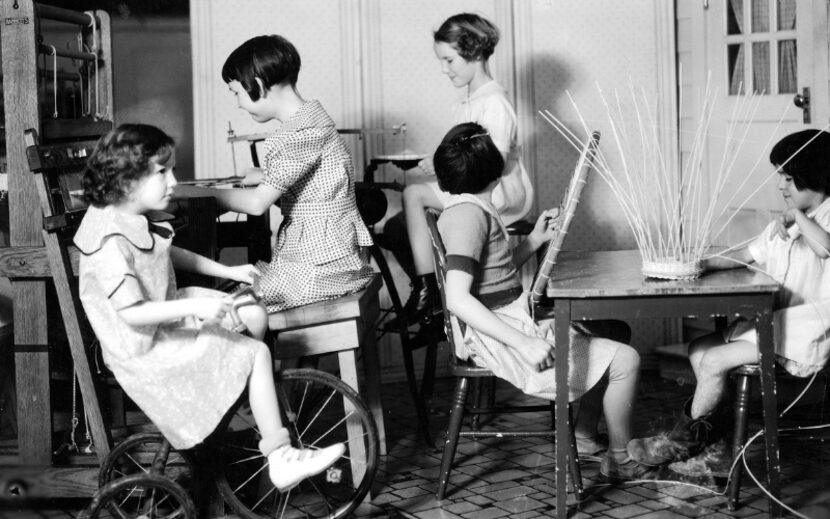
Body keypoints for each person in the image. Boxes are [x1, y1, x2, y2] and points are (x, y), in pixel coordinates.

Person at [75, 124, 345, 491]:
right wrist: (201, 306)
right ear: (125, 181)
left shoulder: (126, 216)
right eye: (162, 172)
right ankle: (280, 455)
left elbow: (165, 252)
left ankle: (242, 399)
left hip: (161, 324)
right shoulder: (108, 239)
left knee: (250, 310)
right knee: (256, 354)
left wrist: (227, 270)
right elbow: (130, 313)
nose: (173, 181)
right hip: (144, 349)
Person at [434, 122, 650, 481]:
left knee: (615, 330)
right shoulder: (467, 217)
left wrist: (534, 241)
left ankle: (582, 435)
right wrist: (525, 342)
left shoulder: (472, 210)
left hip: (509, 319)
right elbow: (458, 298)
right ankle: (621, 458)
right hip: (501, 336)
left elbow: (493, 274)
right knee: (626, 360)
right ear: (496, 169)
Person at [628, 129, 830, 477]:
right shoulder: (785, 221)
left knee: (715, 361)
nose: (781, 185)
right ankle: (718, 443)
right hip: (780, 321)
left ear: (814, 173)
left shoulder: (817, 218)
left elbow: (826, 247)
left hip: (810, 328)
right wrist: (700, 263)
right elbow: (746, 255)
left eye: (788, 176)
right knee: (699, 349)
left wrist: (798, 219)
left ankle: (682, 442)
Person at [175, 34, 374, 313]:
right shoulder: (313, 119)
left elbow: (257, 204)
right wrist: (266, 175)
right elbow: (313, 179)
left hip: (321, 265)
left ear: (256, 85)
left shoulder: (297, 135)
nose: (238, 104)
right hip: (334, 255)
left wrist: (194, 192)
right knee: (237, 296)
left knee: (228, 304)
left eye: (236, 92)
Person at [377, 13, 534, 330]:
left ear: (474, 52)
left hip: (498, 189)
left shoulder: (495, 103)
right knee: (396, 227)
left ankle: (430, 293)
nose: (443, 69)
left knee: (413, 194)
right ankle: (433, 294)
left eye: (449, 60)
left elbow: (491, 164)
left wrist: (437, 164)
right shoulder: (470, 101)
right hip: (479, 184)